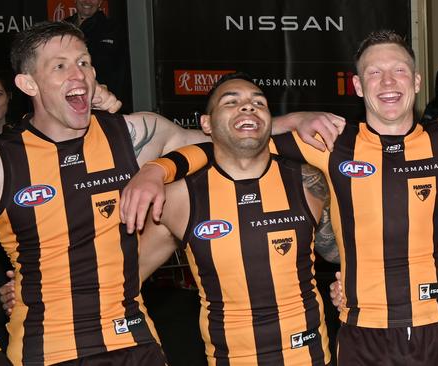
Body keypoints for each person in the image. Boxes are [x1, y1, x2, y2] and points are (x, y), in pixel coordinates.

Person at [120, 30, 438, 365]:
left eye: (399, 72)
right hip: (361, 333)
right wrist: (155, 169)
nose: (388, 82)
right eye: (374, 74)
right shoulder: (329, 140)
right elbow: (229, 144)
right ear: (357, 86)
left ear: (417, 83)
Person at [0, 21, 342, 365]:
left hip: (133, 340)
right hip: (46, 349)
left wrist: (296, 119)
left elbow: (226, 139)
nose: (79, 74)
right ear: (28, 83)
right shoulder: (3, 161)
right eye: (60, 66)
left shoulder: (132, 137)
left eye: (84, 63)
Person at [138, 72, 339, 365]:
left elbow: (338, 253)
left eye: (259, 102)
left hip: (311, 357)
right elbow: (120, 282)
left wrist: (350, 283)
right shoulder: (177, 199)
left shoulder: (309, 184)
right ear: (205, 123)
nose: (248, 107)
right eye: (231, 102)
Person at [64, 0, 127, 105]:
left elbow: (121, 73)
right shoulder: (62, 28)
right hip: (68, 99)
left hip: (102, 102)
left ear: (100, 2)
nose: (87, 1)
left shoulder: (114, 29)